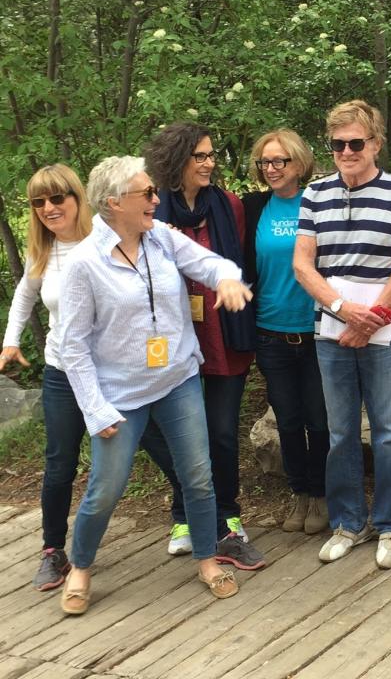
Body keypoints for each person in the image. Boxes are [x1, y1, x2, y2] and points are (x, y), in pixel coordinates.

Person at [57, 156, 253, 613]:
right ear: (114, 203)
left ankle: (207, 559)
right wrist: (95, 408)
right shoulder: (85, 263)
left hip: (178, 379)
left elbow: (210, 263)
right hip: (119, 394)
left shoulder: (161, 238)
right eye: (146, 193)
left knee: (198, 477)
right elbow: (72, 346)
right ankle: (81, 566)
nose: (156, 199)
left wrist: (227, 279)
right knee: (106, 486)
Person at [294, 100, 391, 569]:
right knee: (340, 432)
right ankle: (348, 522)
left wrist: (373, 314)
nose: (347, 151)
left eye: (356, 142)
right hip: (331, 330)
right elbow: (302, 265)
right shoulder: (314, 195)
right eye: (338, 144)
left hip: (386, 330)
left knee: (389, 432)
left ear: (375, 144)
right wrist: (341, 309)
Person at [144, 122, 265, 571]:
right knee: (180, 435)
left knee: (222, 432)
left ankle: (228, 514)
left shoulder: (228, 205)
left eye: (212, 154)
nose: (210, 163)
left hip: (224, 337)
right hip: (174, 342)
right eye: (201, 156)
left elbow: (238, 263)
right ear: (177, 161)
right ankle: (184, 517)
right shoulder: (152, 209)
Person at [0, 165, 94, 591]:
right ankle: (53, 551)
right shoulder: (45, 251)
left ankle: (186, 524)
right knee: (60, 462)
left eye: (57, 198)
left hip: (112, 371)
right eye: (38, 202)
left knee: (155, 443)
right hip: (61, 371)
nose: (48, 208)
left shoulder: (105, 242)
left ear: (77, 197)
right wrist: (10, 341)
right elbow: (25, 295)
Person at [243, 129, 330, 535]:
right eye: (265, 162)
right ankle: (299, 492)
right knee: (289, 420)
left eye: (280, 161)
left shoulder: (318, 201)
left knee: (319, 418)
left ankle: (323, 493)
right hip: (270, 331)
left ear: (299, 163)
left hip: (315, 329)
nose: (272, 169)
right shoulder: (254, 207)